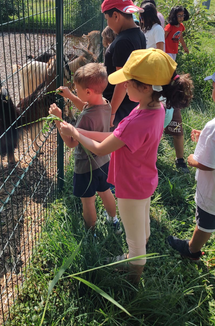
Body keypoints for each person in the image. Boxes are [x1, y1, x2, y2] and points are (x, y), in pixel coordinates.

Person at [58, 49, 194, 283]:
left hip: (130, 186)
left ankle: (133, 278)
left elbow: (101, 148)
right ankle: (138, 249)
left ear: (146, 87)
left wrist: (75, 133)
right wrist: (79, 131)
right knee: (142, 225)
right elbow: (114, 137)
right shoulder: (155, 108)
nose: (123, 86)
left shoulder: (137, 121)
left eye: (127, 83)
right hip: (145, 179)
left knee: (134, 239)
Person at [49, 63, 121, 233]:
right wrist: (71, 97)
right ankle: (114, 221)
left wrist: (58, 119)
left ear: (88, 92)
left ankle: (91, 234)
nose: (75, 91)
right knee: (105, 191)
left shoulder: (85, 120)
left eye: (77, 89)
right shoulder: (105, 104)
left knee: (88, 201)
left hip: (85, 166)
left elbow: (71, 142)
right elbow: (87, 106)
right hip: (104, 161)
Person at [168, 72, 215, 261]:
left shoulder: (213, 127)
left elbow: (207, 164)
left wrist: (190, 158)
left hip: (211, 192)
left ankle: (192, 249)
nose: (212, 90)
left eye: (213, 88)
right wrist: (204, 135)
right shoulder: (211, 129)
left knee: (205, 221)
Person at [101, 0, 146, 129]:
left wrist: (112, 112)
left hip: (118, 106)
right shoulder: (139, 34)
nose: (108, 24)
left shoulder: (123, 41)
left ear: (116, 15)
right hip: (129, 102)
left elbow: (122, 81)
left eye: (107, 19)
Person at [164, 6, 190, 172]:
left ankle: (180, 159)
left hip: (173, 55)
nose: (181, 18)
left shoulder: (181, 27)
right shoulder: (168, 27)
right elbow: (163, 38)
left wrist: (184, 47)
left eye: (183, 15)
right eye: (179, 15)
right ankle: (180, 160)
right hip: (165, 53)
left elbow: (179, 39)